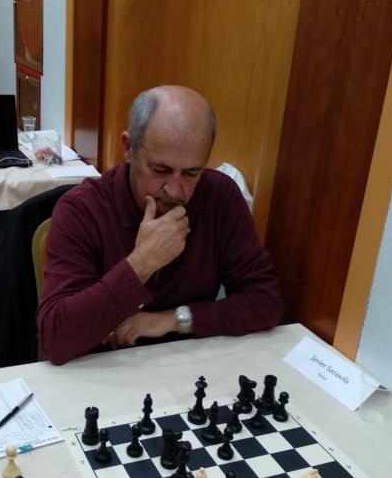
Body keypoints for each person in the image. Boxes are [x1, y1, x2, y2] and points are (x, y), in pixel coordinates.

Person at [36, 85, 282, 365]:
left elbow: (265, 301)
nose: (175, 190)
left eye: (191, 173)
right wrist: (141, 263)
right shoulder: (82, 210)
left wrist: (172, 320)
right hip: (102, 370)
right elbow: (56, 338)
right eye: (160, 170)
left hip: (188, 365)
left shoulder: (220, 197)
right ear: (128, 148)